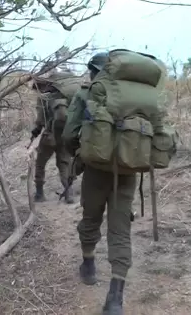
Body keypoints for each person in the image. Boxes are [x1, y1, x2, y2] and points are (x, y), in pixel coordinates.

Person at [62, 50, 173, 315]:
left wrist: (79, 152)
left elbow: (69, 133)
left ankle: (88, 264)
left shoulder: (88, 92)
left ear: (96, 71)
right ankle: (115, 297)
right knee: (120, 229)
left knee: (90, 217)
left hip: (96, 169)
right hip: (128, 169)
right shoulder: (144, 95)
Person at [30, 69, 81, 204]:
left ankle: (39, 194)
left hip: (49, 136)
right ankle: (69, 194)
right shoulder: (67, 97)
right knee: (64, 164)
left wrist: (35, 131)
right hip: (65, 135)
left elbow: (40, 120)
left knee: (40, 163)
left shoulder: (44, 97)